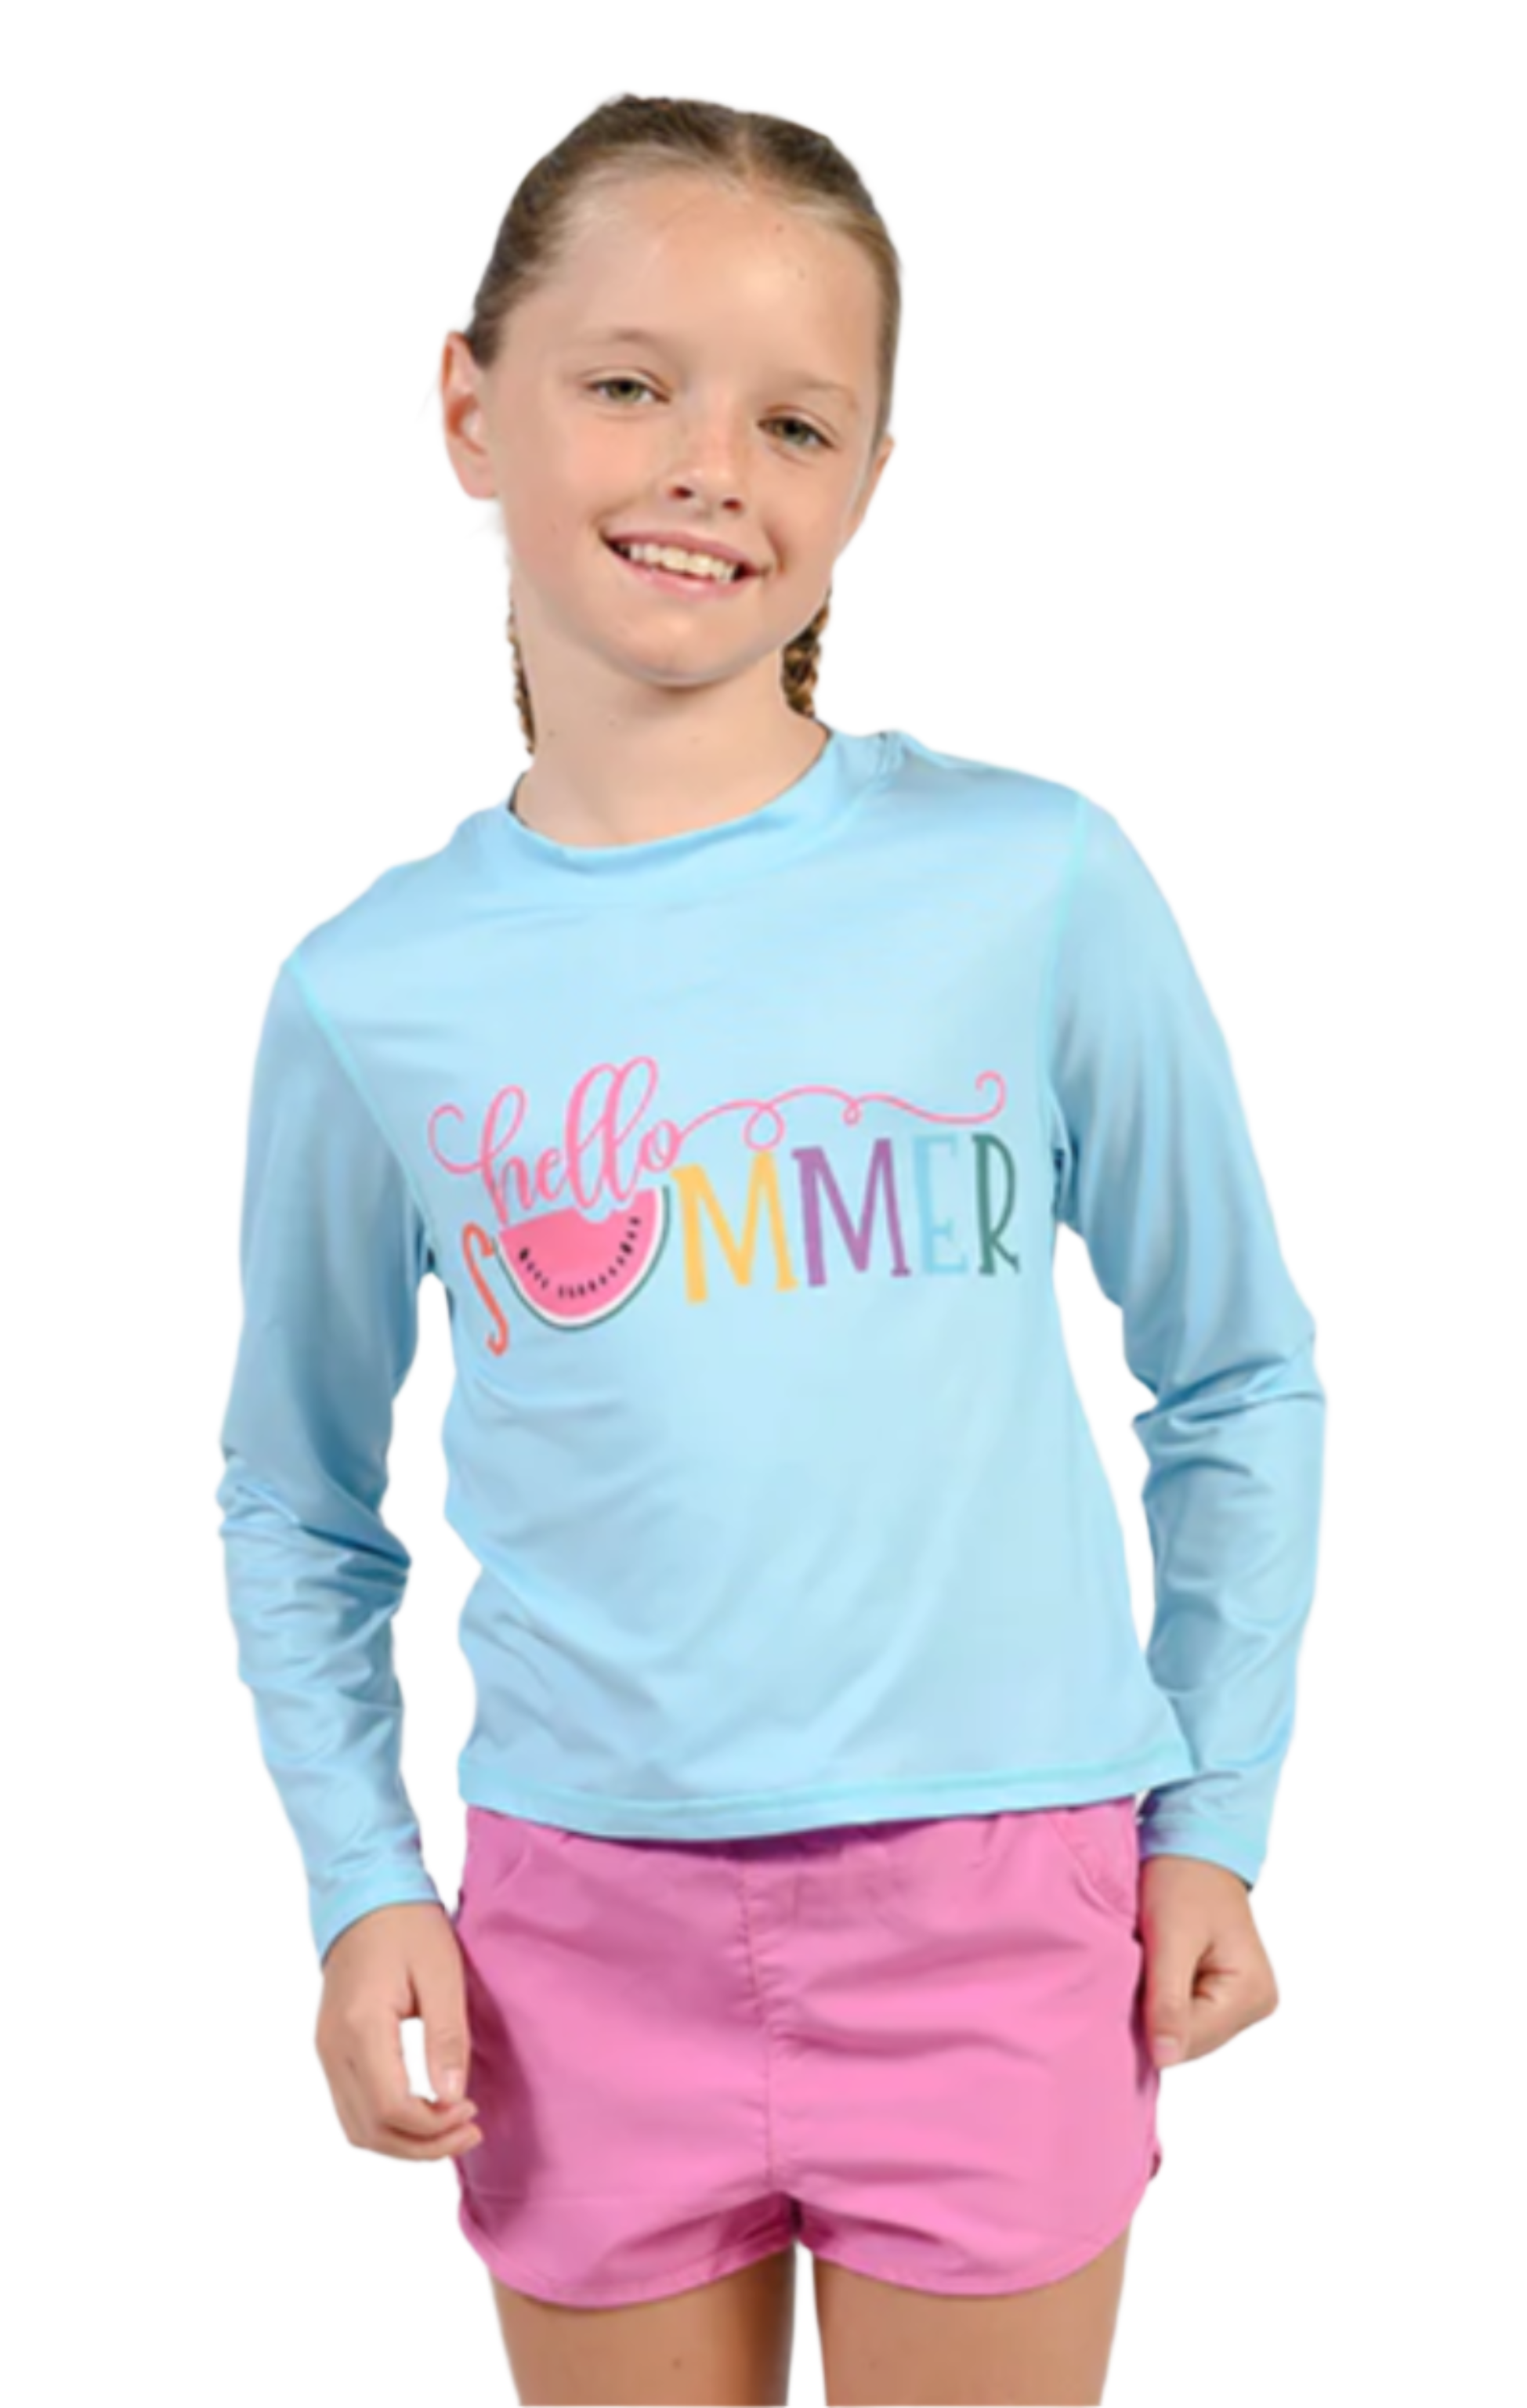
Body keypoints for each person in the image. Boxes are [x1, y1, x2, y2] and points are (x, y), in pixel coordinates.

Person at [215, 92, 1327, 2408]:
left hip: (1004, 1909)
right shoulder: (370, 993)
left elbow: (1237, 1377)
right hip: (573, 1942)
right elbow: (297, 1501)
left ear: (868, 483)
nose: (710, 466)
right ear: (470, 409)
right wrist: (363, 1878)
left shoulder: (1033, 883)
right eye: (631, 382)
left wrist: (1212, 1812)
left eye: (795, 421)